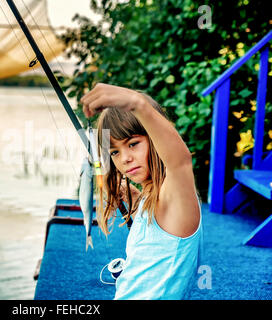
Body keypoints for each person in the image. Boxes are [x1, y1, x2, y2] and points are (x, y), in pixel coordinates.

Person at [80, 83, 202, 300]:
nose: (125, 158)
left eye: (133, 143)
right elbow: (156, 236)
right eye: (115, 152)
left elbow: (180, 162)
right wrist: (133, 197)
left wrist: (138, 104)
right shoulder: (153, 199)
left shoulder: (174, 194)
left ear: (155, 139)